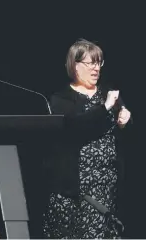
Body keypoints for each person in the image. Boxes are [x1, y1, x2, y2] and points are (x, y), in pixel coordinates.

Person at [42, 38, 132, 239]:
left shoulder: (108, 94)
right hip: (73, 191)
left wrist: (125, 118)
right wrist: (105, 107)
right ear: (74, 65)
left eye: (98, 63)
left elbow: (124, 128)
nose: (96, 69)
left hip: (107, 187)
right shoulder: (61, 99)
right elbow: (75, 127)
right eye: (90, 63)